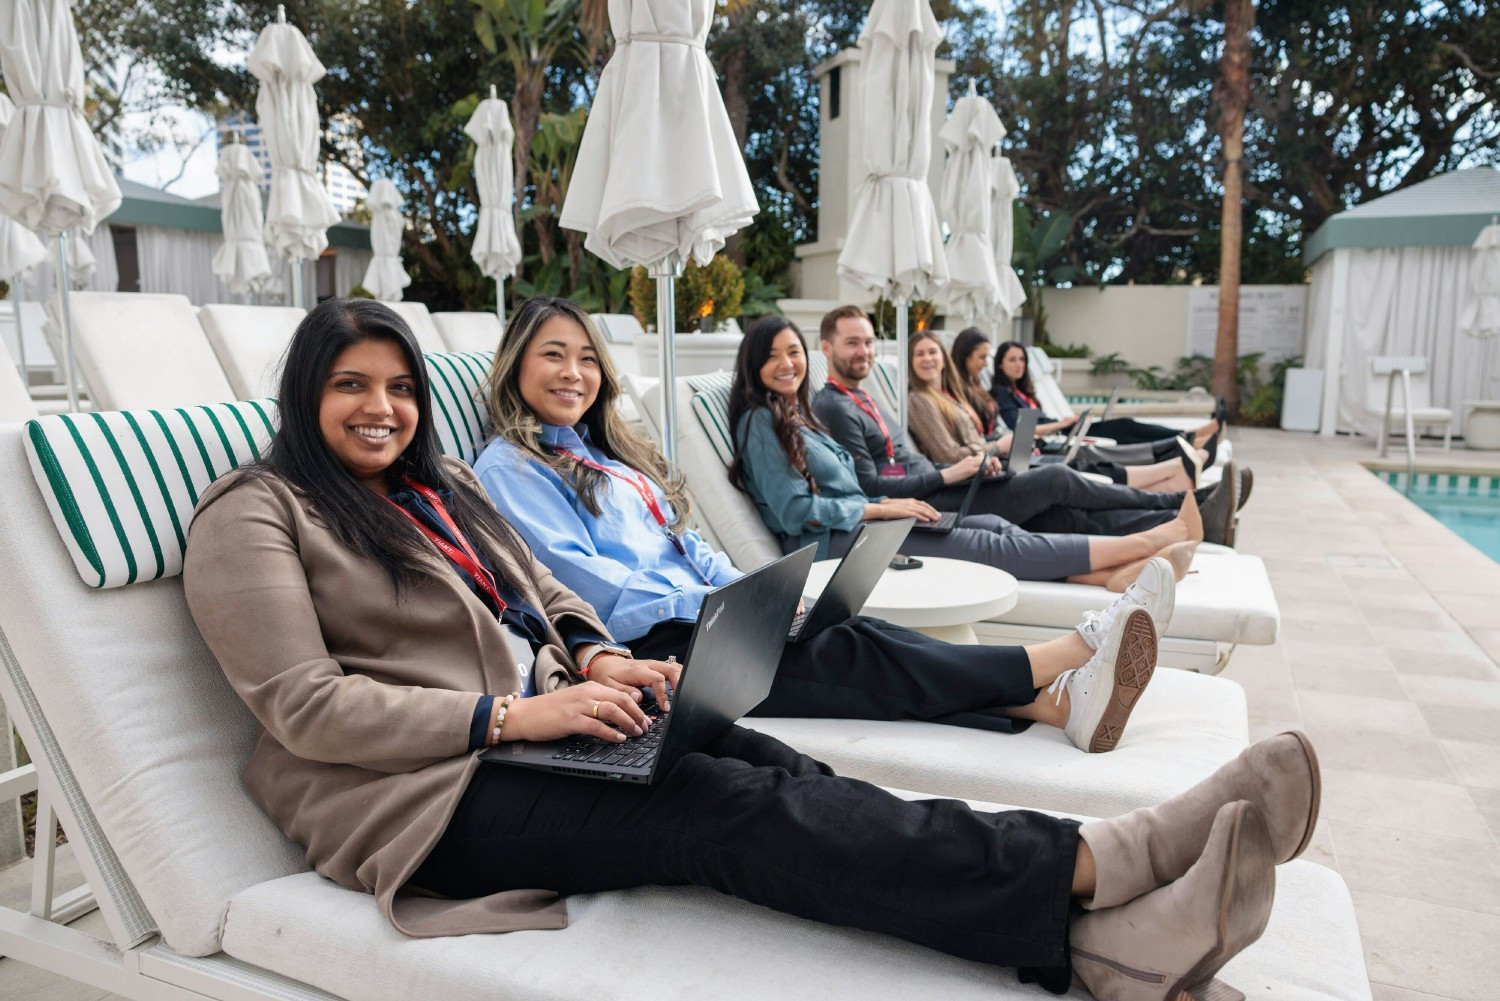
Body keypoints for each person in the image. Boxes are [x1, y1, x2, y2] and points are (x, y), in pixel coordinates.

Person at [183, 295, 1321, 1001]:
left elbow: (541, 595)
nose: (381, 407)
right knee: (724, 814)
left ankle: (1088, 941)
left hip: (539, 735)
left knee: (779, 769)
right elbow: (304, 705)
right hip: (424, 799)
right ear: (305, 394)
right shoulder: (259, 513)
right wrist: (509, 716)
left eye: (396, 387)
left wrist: (592, 660)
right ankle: (1100, 864)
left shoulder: (435, 488)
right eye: (351, 386)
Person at [474, 295, 1170, 747]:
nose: (574, 373)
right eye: (553, 356)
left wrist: (759, 592)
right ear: (516, 367)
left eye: (587, 358)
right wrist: (722, 607)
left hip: (703, 615)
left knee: (851, 632)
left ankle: (1052, 707)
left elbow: (683, 545)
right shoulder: (510, 467)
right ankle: (1060, 659)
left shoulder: (606, 456)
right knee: (848, 657)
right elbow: (585, 587)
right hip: (651, 644)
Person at [731, 314, 1201, 590]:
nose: (787, 363)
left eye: (793, 352)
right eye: (772, 355)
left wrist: (885, 508)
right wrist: (879, 507)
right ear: (755, 364)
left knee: (994, 524)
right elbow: (795, 512)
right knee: (987, 543)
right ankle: (1144, 542)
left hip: (863, 524)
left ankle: (1109, 576)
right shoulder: (760, 421)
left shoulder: (798, 415)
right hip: (833, 546)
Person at [812, 306, 1240, 546]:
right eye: (853, 342)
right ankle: (1177, 504)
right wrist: (951, 472)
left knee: (1060, 516)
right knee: (1055, 478)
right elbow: (870, 484)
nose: (864, 351)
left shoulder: (866, 397)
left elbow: (904, 461)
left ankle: (1193, 519)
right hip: (939, 501)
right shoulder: (834, 405)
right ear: (826, 347)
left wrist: (970, 466)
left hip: (952, 483)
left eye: (868, 341)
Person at [907, 331, 1197, 494]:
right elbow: (946, 454)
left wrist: (1003, 445)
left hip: (994, 459)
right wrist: (997, 446)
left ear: (944, 359)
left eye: (933, 352)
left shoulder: (951, 395)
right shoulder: (920, 400)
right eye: (919, 354)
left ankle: (1170, 479)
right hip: (979, 472)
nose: (928, 359)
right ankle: (1169, 480)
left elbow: (974, 439)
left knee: (1077, 464)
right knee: (1066, 471)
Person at [992, 339, 1223, 450]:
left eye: (1022, 359)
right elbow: (1020, 429)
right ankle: (1185, 438)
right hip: (1060, 434)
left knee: (1126, 429)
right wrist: (1061, 423)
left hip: (1064, 428)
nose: (1019, 364)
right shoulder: (1002, 395)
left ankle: (1185, 438)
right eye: (1012, 360)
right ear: (1000, 365)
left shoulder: (1023, 391)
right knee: (1125, 426)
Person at [950, 326, 1001, 437]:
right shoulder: (955, 388)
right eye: (982, 357)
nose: (986, 363)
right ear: (966, 357)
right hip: (984, 446)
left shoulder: (975, 382)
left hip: (994, 441)